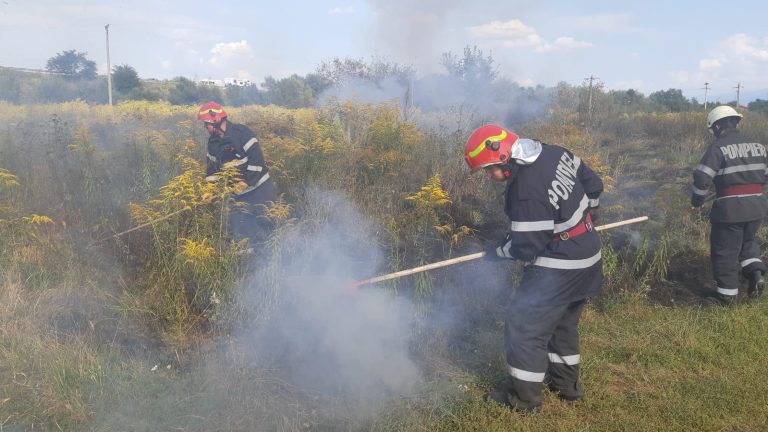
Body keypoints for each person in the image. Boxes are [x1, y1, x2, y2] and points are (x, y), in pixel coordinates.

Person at [464, 124, 603, 412]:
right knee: (563, 323)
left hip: (560, 265)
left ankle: (523, 400)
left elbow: (527, 246)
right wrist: (588, 213)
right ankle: (566, 386)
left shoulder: (526, 191)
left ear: (504, 157)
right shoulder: (554, 152)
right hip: (588, 253)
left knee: (524, 327)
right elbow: (593, 183)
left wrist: (497, 252)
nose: (489, 177)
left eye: (489, 169)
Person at [691, 105, 767, 304]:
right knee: (748, 244)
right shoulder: (758, 146)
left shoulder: (718, 148)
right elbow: (765, 176)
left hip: (730, 211)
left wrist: (697, 200)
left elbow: (702, 177)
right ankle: (756, 275)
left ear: (717, 126)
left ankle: (726, 298)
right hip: (757, 207)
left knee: (725, 251)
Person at [197, 101, 277, 250]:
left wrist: (247, 181)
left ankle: (273, 256)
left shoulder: (242, 133)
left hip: (260, 190)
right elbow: (212, 171)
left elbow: (256, 160)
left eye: (207, 124)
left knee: (267, 227)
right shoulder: (213, 143)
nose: (205, 127)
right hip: (238, 195)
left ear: (216, 121)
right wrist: (210, 191)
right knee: (241, 230)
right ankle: (247, 259)